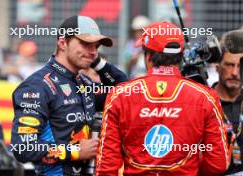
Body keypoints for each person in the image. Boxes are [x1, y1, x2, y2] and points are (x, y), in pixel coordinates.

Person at [96, 22, 229, 176]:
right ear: (180, 56)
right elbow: (218, 164)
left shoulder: (119, 95)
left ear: (147, 56)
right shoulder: (206, 96)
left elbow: (106, 166)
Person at [10, 15, 127, 176]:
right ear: (63, 42)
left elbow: (124, 90)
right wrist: (75, 150)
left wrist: (96, 61)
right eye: (86, 44)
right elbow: (23, 148)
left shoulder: (84, 84)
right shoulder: (37, 86)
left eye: (96, 46)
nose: (93, 51)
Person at [212, 30, 243, 175]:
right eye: (229, 65)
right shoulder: (205, 102)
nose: (235, 73)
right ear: (217, 67)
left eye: (239, 66)